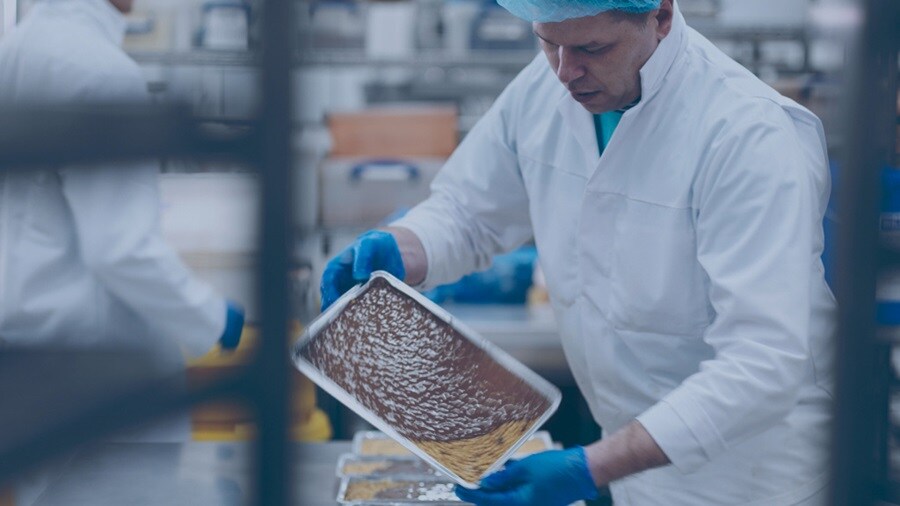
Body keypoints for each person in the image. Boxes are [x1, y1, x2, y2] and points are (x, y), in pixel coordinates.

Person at [321, 0, 837, 504]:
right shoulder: (546, 88)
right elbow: (468, 212)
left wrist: (590, 467)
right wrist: (404, 247)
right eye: (548, 44)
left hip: (754, 482)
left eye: (593, 47)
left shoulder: (748, 134)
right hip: (634, 469)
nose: (567, 73)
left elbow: (763, 362)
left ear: (659, 16)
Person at [0, 0, 244, 370]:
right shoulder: (102, 72)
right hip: (91, 358)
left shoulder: (15, 49)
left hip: (21, 344)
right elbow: (119, 247)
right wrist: (213, 317)